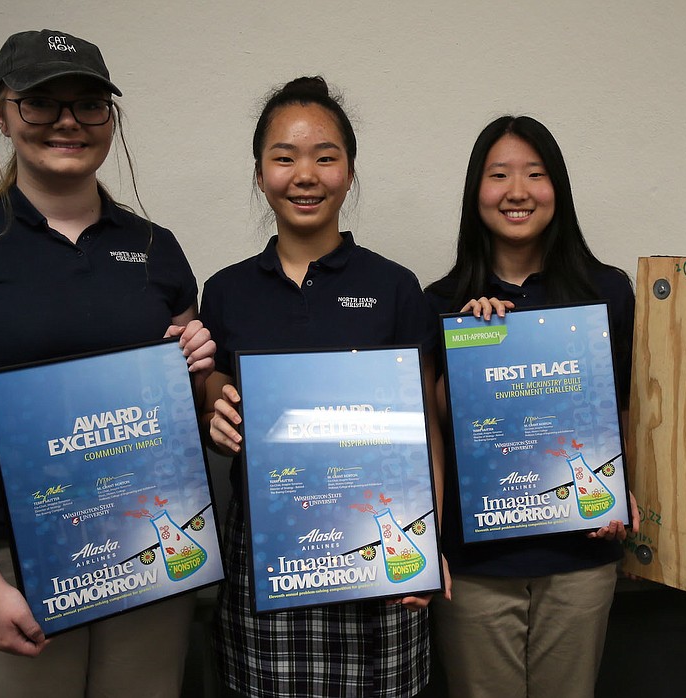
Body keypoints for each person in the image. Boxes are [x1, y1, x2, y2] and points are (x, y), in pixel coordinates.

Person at [0, 29, 214, 698]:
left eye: (89, 103)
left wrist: (197, 371)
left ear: (110, 120)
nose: (67, 121)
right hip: (10, 563)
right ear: (1, 112)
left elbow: (180, 416)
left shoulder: (156, 248)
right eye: (40, 102)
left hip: (146, 552)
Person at [202, 76, 444, 698]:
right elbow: (214, 382)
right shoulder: (227, 290)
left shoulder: (394, 286)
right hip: (270, 546)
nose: (304, 174)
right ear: (259, 174)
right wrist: (215, 401)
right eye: (284, 157)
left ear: (350, 172)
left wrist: (429, 534)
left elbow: (425, 427)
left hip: (376, 543)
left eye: (324, 156)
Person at [424, 115, 634, 698]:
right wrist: (475, 351)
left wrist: (626, 487)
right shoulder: (439, 302)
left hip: (582, 553)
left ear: (557, 189)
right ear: (476, 193)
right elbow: (436, 427)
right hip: (475, 564)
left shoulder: (607, 293)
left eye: (534, 174)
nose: (517, 191)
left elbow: (627, 409)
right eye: (499, 175)